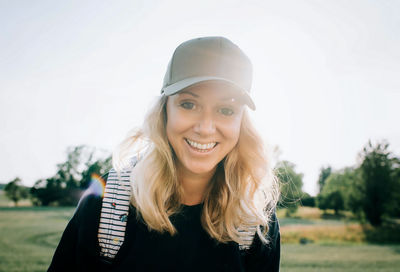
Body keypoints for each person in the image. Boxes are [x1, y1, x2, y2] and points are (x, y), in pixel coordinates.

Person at [48, 36, 281, 272]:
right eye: (188, 104)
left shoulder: (254, 216)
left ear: (242, 123)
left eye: (226, 110)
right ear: (163, 111)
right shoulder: (108, 201)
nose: (205, 128)